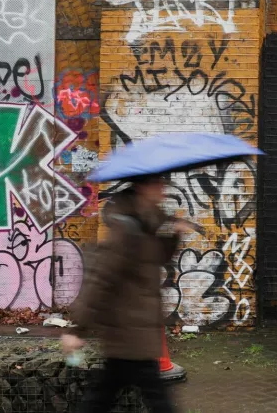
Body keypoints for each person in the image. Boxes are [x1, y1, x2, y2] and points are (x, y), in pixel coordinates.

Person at [64, 174, 193, 413]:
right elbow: (101, 279)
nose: (163, 191)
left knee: (102, 397)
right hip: (129, 330)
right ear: (143, 187)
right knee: (156, 400)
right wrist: (77, 329)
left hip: (136, 329)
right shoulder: (128, 229)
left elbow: (159, 257)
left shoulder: (147, 222)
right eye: (158, 185)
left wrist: (175, 233)